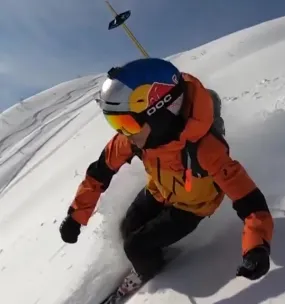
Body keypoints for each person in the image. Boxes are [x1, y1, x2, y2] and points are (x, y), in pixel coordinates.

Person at [59, 57, 273, 291]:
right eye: (115, 123)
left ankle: (149, 270)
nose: (124, 133)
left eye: (127, 123)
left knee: (135, 246)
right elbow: (100, 172)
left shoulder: (204, 148)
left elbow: (251, 202)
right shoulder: (138, 140)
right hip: (159, 191)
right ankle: (155, 252)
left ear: (158, 113)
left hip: (191, 207)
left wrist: (256, 248)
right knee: (126, 228)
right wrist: (76, 216)